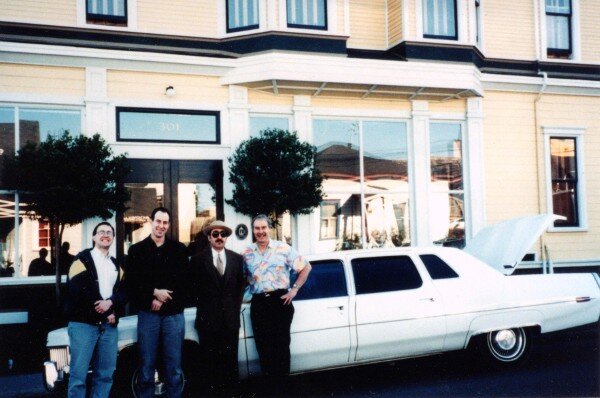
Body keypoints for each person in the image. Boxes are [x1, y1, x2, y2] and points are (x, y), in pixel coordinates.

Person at [241, 214, 312, 386]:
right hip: (259, 304)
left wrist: (294, 290)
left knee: (281, 348)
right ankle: (270, 388)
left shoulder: (283, 248)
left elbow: (306, 267)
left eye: (263, 228)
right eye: (257, 228)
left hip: (280, 302)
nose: (260, 232)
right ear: (253, 230)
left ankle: (283, 389)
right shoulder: (246, 253)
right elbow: (242, 279)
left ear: (269, 228)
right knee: (263, 349)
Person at [126, 207, 189, 398]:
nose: (161, 226)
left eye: (165, 222)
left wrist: (162, 301)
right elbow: (132, 283)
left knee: (174, 367)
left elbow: (185, 284)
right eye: (158, 221)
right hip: (148, 316)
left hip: (173, 316)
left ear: (169, 225)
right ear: (150, 221)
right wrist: (153, 294)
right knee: (146, 366)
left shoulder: (179, 250)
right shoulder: (136, 250)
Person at [64, 222, 126, 398]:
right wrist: (107, 310)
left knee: (105, 375)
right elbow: (80, 288)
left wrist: (113, 306)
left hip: (109, 327)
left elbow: (124, 290)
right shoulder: (80, 260)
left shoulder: (116, 264)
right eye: (101, 232)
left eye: (109, 232)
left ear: (113, 238)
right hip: (83, 325)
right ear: (93, 237)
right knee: (78, 377)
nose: (105, 235)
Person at [190, 220, 244, 395]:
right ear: (208, 237)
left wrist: (233, 310)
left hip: (230, 322)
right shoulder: (198, 260)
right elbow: (193, 289)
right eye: (215, 234)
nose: (219, 237)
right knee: (210, 367)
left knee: (230, 366)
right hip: (208, 322)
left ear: (227, 237)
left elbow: (240, 288)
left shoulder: (237, 259)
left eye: (223, 234)